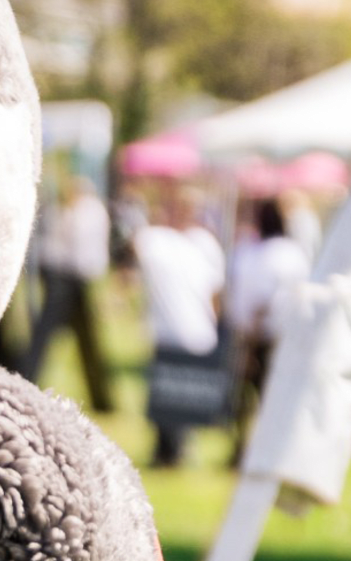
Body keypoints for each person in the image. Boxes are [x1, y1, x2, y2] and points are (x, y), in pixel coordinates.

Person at [133, 186, 227, 467]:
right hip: (176, 329)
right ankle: (168, 450)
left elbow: (214, 292)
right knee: (169, 396)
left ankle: (174, 451)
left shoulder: (200, 244)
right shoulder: (161, 241)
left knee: (178, 398)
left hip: (189, 329)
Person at [225, 199, 310, 463]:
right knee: (262, 399)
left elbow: (260, 300)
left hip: (258, 337)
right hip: (273, 337)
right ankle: (257, 450)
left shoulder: (259, 252)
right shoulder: (288, 252)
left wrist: (248, 336)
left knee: (250, 398)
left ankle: (250, 450)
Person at [21, 175, 115, 412]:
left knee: (81, 342)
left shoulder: (89, 212)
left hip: (75, 279)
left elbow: (83, 247)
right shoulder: (61, 210)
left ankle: (101, 398)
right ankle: (25, 380)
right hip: (61, 277)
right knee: (45, 338)